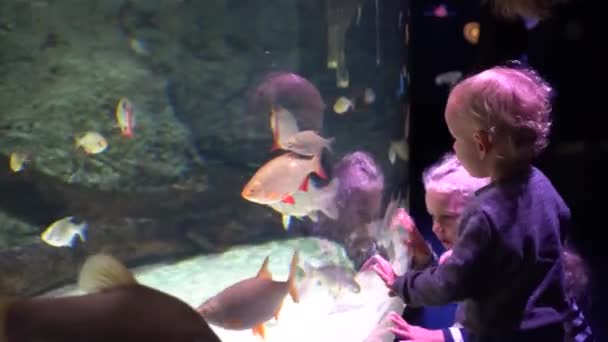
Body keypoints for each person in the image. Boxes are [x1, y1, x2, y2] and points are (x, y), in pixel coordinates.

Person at [363, 65, 572, 341]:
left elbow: (451, 283)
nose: (454, 148)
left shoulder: (485, 212)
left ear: (482, 143)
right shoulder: (543, 186)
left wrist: (401, 285)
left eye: (456, 138)